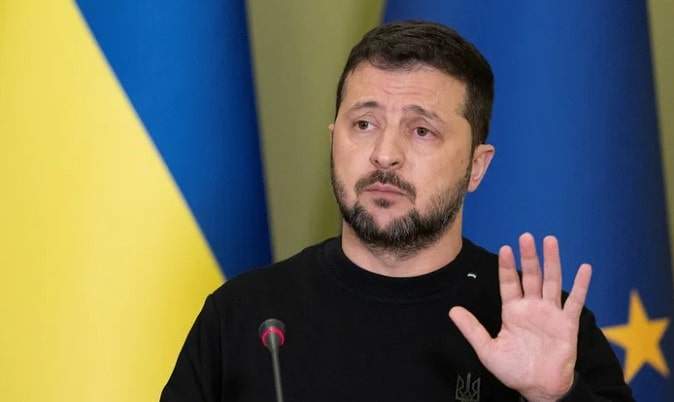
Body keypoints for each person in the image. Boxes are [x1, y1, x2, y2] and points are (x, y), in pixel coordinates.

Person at [161, 21, 633, 401]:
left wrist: (555, 398)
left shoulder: (542, 325)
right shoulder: (245, 316)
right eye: (364, 124)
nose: (384, 155)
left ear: (476, 166)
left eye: (421, 131)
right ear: (333, 140)